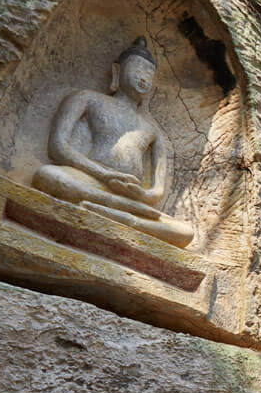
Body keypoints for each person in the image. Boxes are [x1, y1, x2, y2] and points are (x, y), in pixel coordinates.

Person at [32, 37, 194, 248]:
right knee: (47, 175)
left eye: (149, 72)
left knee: (186, 232)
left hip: (131, 197)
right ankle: (118, 210)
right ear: (117, 71)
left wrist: (142, 194)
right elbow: (58, 146)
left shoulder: (153, 131)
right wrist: (104, 175)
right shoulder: (87, 98)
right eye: (137, 67)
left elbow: (157, 191)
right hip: (90, 180)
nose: (143, 76)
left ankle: (124, 218)